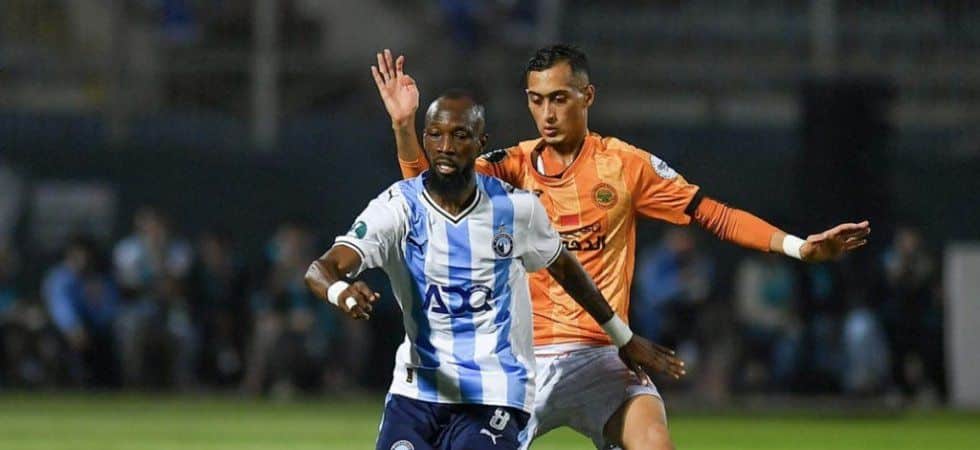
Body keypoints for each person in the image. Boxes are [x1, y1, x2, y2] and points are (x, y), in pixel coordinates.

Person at [372, 45, 871, 449]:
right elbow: (427, 191)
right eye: (537, 100)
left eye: (559, 98)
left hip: (601, 357)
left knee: (654, 443)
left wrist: (799, 248)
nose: (547, 113)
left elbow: (714, 215)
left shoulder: (624, 166)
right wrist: (403, 125)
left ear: (587, 96)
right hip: (517, 363)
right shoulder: (509, 168)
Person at [305, 92, 683, 450]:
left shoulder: (516, 209)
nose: (446, 146)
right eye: (435, 135)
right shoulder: (396, 208)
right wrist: (341, 291)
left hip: (494, 393)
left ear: (480, 143)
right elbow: (321, 269)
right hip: (416, 389)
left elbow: (568, 271)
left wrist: (622, 336)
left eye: (460, 135)